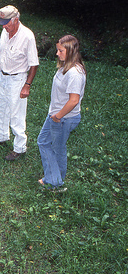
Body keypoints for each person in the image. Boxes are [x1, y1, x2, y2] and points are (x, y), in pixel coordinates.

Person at [0, 5, 39, 161]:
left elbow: (34, 64)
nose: (4, 26)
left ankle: (20, 148)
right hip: (3, 76)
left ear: (16, 20)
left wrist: (27, 85)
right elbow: (1, 54)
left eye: (6, 22)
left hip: (18, 79)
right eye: (2, 22)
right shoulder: (5, 32)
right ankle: (1, 137)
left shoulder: (27, 36)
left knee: (16, 114)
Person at [37, 35, 86, 191]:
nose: (57, 53)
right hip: (56, 115)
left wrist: (57, 116)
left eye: (60, 50)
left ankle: (54, 182)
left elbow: (73, 100)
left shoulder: (75, 73)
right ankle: (55, 178)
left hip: (63, 118)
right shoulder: (66, 67)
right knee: (50, 144)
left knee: (50, 145)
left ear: (71, 51)